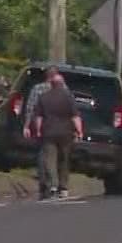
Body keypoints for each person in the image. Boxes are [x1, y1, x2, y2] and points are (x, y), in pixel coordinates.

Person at [26, 66, 84, 199]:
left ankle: (52, 184)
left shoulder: (43, 97)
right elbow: (75, 116)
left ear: (51, 84)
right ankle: (63, 188)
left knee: (49, 159)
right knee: (64, 160)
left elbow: (38, 117)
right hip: (66, 133)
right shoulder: (68, 97)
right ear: (61, 84)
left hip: (49, 132)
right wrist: (79, 131)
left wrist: (39, 130)